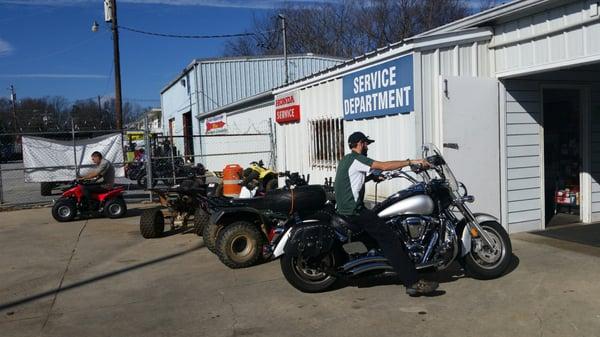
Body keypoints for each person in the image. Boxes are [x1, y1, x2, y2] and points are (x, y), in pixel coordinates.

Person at [334, 131, 439, 296]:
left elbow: (353, 178)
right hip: (354, 211)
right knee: (390, 238)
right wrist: (411, 161)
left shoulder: (346, 160)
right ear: (360, 143)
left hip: (346, 209)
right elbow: (383, 166)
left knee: (382, 224)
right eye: (366, 143)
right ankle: (412, 282)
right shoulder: (357, 158)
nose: (367, 146)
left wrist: (372, 179)